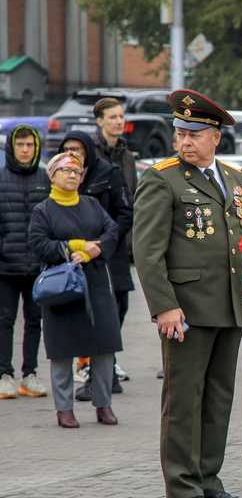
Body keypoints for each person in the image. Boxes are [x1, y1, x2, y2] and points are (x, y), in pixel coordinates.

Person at [133, 89, 242, 498]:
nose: (185, 141)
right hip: (186, 310)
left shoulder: (234, 177)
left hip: (229, 307)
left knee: (218, 399)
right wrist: (165, 306)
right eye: (180, 133)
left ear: (216, 138)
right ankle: (181, 488)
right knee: (185, 399)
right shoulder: (161, 178)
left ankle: (209, 480)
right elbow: (147, 251)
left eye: (195, 134)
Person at [28, 152, 119, 428]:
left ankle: (103, 405)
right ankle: (64, 408)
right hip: (62, 288)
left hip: (96, 284)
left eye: (77, 172)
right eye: (66, 171)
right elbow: (38, 243)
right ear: (52, 175)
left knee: (104, 346)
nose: (72, 176)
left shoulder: (92, 204)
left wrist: (93, 252)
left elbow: (111, 232)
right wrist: (74, 247)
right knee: (62, 350)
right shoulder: (43, 210)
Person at [57, 131, 132, 401]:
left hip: (110, 257)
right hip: (76, 263)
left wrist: (102, 244)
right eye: (67, 148)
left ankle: (106, 372)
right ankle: (95, 374)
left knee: (113, 316)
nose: (73, 153)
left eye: (78, 148)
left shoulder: (108, 173)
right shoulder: (63, 176)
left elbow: (125, 214)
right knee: (86, 320)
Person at [0, 126, 49, 400]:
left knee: (34, 321)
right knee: (5, 321)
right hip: (6, 266)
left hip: (37, 267)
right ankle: (4, 375)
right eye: (21, 145)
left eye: (30, 144)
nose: (26, 149)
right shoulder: (1, 178)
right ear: (12, 147)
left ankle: (29, 375)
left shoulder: (45, 178)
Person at [92, 97, 138, 380]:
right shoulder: (91, 153)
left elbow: (131, 197)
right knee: (97, 302)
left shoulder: (127, 155)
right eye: (113, 117)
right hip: (95, 240)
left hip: (120, 239)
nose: (119, 121)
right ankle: (89, 361)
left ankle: (108, 356)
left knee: (121, 300)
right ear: (100, 122)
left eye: (121, 116)